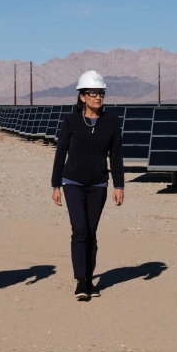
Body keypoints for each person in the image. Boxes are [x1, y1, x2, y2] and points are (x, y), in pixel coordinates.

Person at [51, 70, 125, 300]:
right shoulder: (71, 121)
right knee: (80, 229)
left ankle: (90, 278)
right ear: (82, 97)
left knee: (91, 232)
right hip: (72, 182)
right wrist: (56, 185)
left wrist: (119, 185)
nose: (98, 97)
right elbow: (60, 153)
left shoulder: (111, 121)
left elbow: (116, 155)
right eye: (93, 93)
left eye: (101, 93)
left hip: (98, 185)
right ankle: (81, 281)